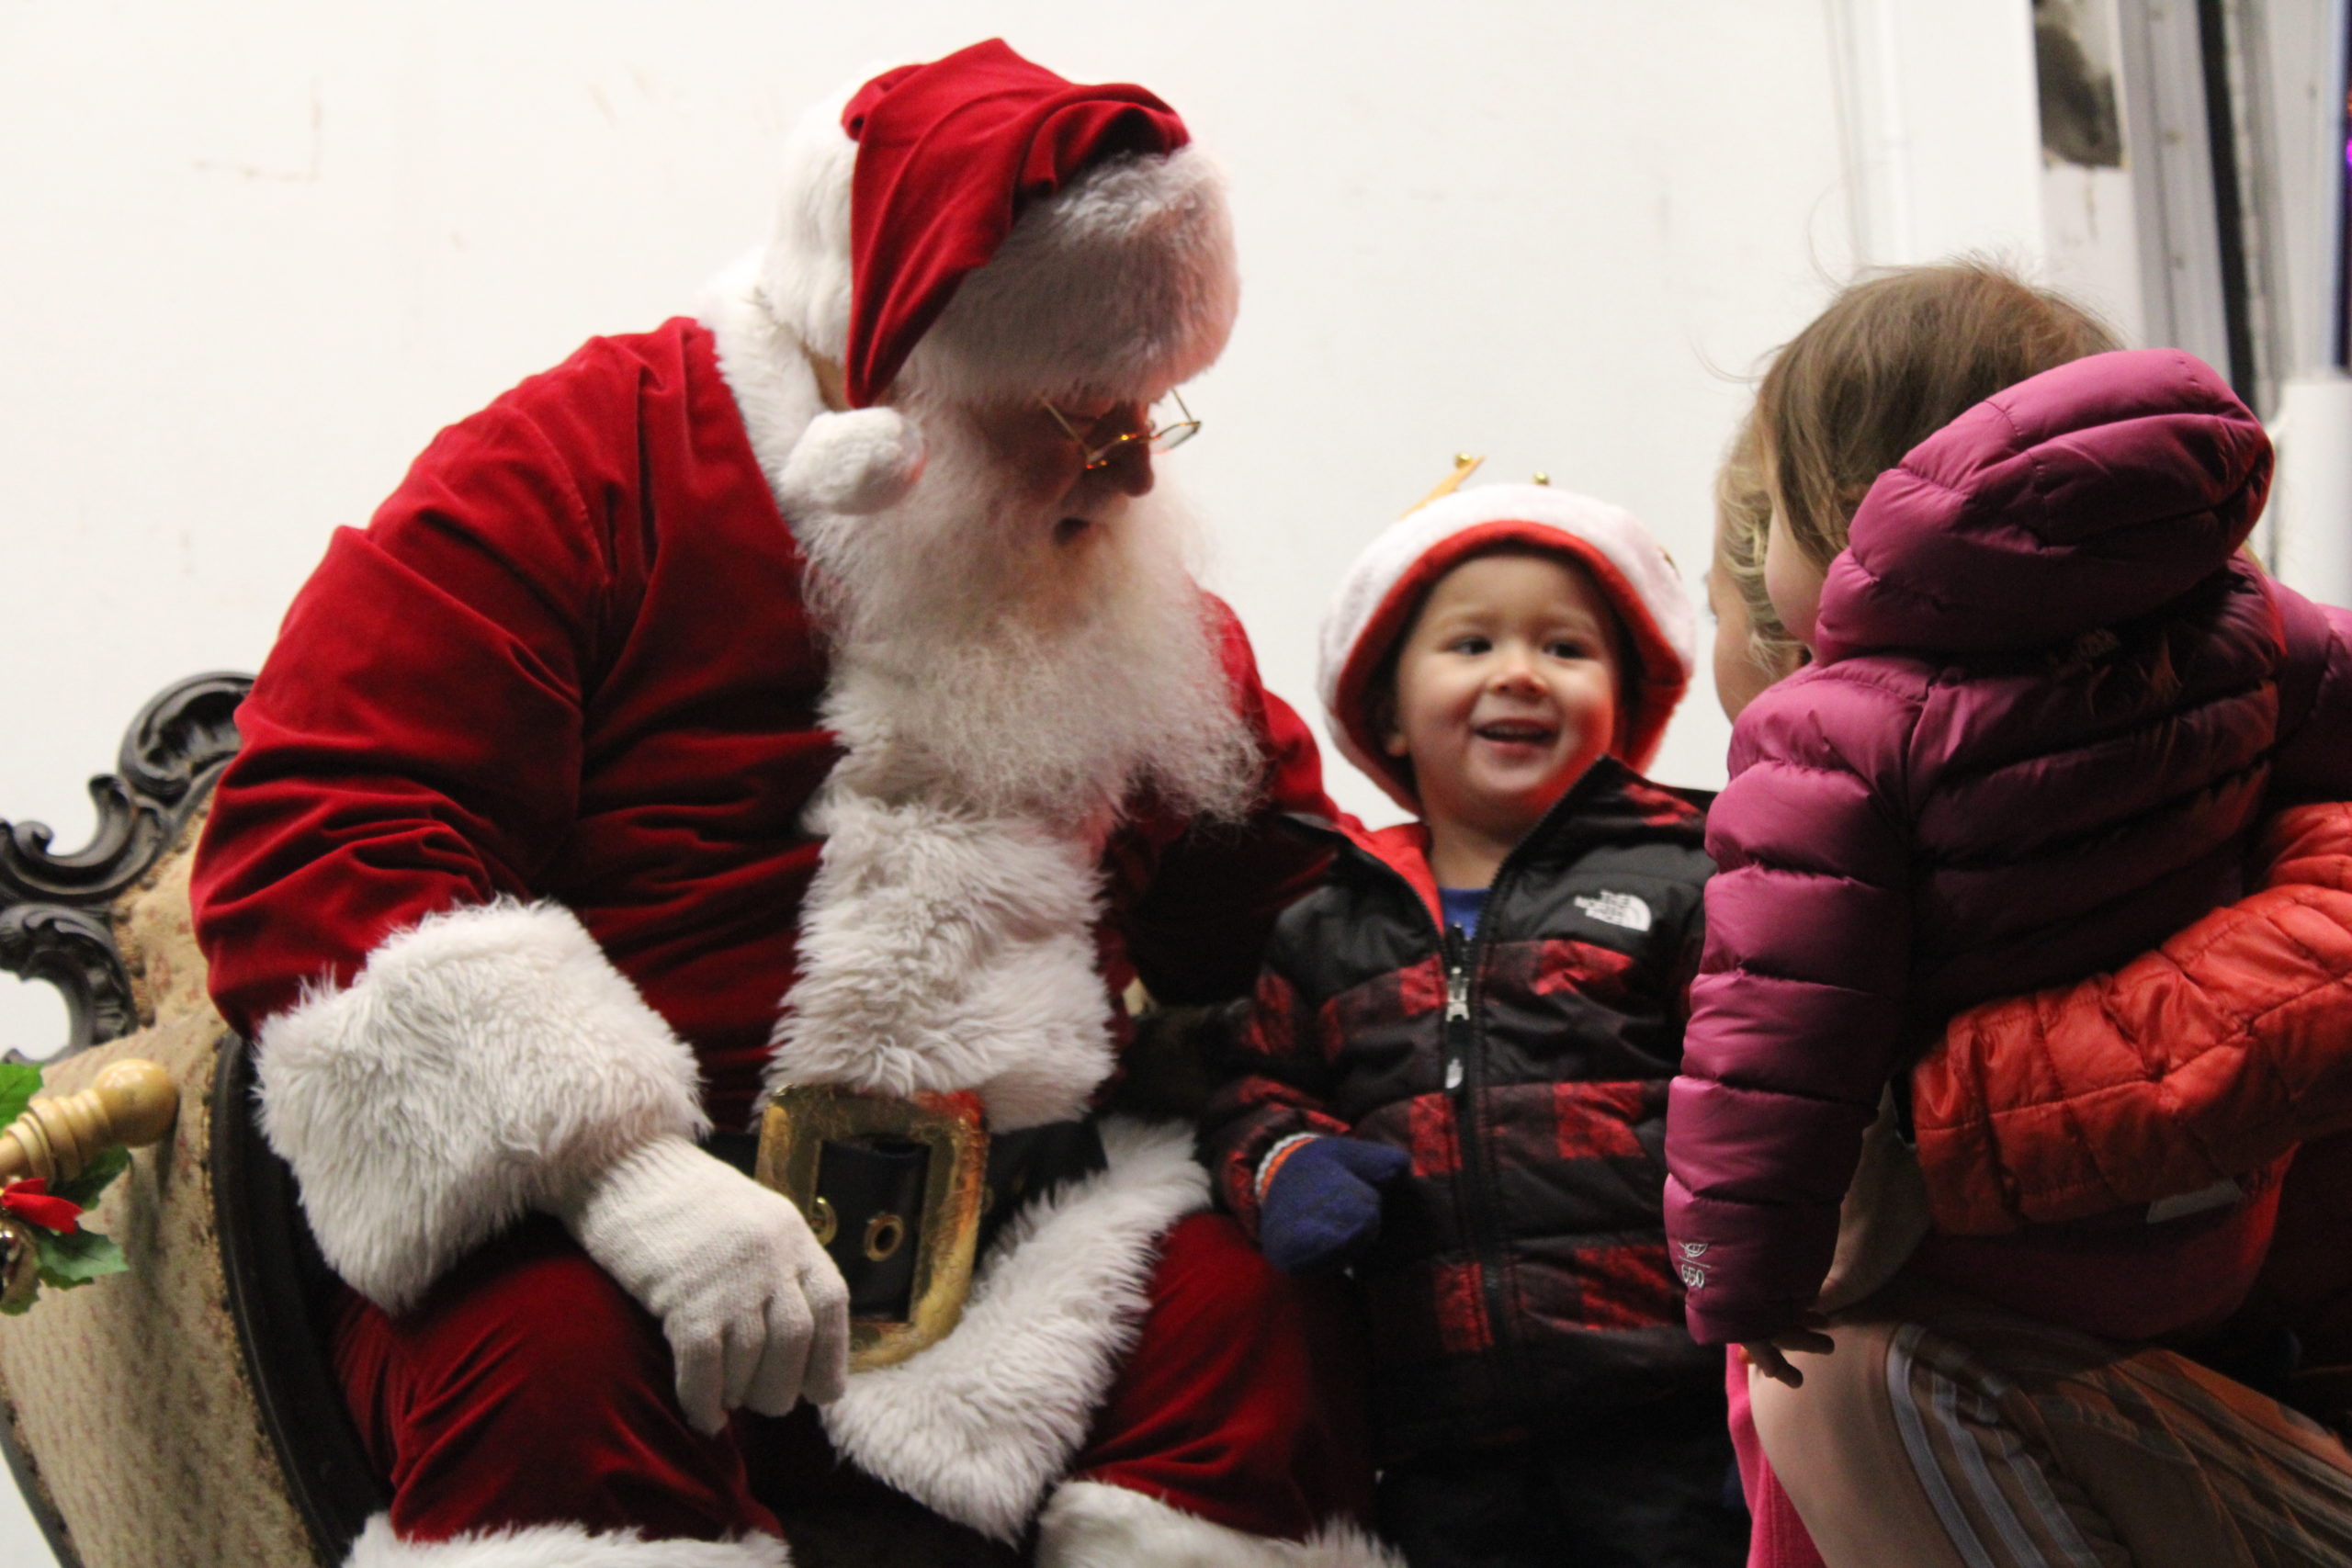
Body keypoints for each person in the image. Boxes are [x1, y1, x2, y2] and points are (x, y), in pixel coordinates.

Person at [187, 39, 1396, 1568]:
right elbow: (321, 830)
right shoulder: (578, 461)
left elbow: (1282, 902)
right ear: (894, 386)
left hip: (1025, 1249)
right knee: (551, 1368)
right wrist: (619, 1176)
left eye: (1157, 406)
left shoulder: (1105, 577)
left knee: (1253, 1317)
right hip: (616, 1234)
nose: (1139, 474)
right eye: (1086, 411)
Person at [1676, 260, 2352, 1566]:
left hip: (2091, 1338)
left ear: (1811, 562)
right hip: (2201, 1286)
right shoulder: (2253, 644)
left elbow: (1768, 1050)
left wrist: (1741, 1268)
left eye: (1724, 586)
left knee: (1832, 1374)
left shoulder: (1835, 741)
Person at [1204, 479, 1749, 1567]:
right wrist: (1285, 1166)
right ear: (1386, 711)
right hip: (1436, 1439)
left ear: (1625, 704)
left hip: (1674, 1419)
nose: (1517, 671)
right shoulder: (1328, 925)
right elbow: (1252, 1094)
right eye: (1470, 644)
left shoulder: (1689, 878)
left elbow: (1762, 1083)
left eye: (1564, 648)